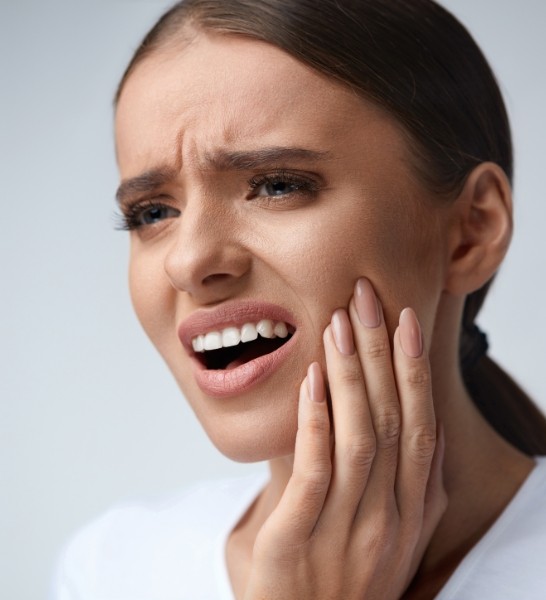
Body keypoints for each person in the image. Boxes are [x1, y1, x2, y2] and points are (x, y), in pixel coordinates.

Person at [52, 0, 546, 598]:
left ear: (472, 230)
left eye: (278, 185)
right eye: (153, 212)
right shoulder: (111, 568)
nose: (188, 262)